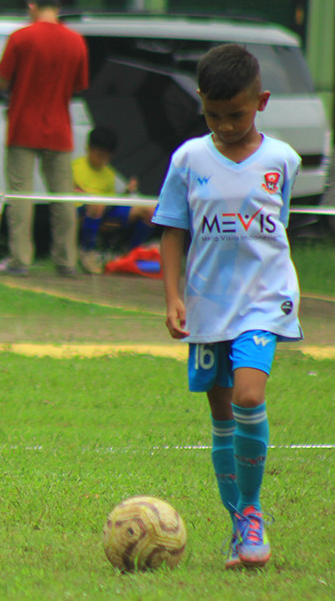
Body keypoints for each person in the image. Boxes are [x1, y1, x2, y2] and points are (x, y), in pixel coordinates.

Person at [153, 43, 302, 569]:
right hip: (208, 305)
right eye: (213, 115)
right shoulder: (189, 160)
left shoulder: (282, 160)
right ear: (200, 102)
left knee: (247, 394)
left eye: (236, 114)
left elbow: (274, 224)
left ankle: (253, 511)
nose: (225, 125)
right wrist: (173, 296)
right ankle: (239, 523)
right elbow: (173, 229)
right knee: (220, 415)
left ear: (260, 101)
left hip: (264, 300)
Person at [0, 0, 88, 277]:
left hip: (23, 124)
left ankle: (21, 258)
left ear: (32, 6)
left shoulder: (21, 38)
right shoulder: (76, 41)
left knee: (21, 194)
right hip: (59, 127)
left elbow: (3, 80)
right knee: (63, 196)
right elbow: (79, 85)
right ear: (58, 8)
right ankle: (66, 260)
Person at [72, 126, 155, 274]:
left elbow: (112, 201)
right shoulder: (75, 167)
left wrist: (126, 192)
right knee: (98, 204)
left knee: (150, 210)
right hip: (82, 211)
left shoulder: (109, 172)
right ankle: (87, 252)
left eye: (106, 157)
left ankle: (132, 254)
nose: (102, 160)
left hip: (104, 209)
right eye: (99, 155)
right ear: (88, 149)